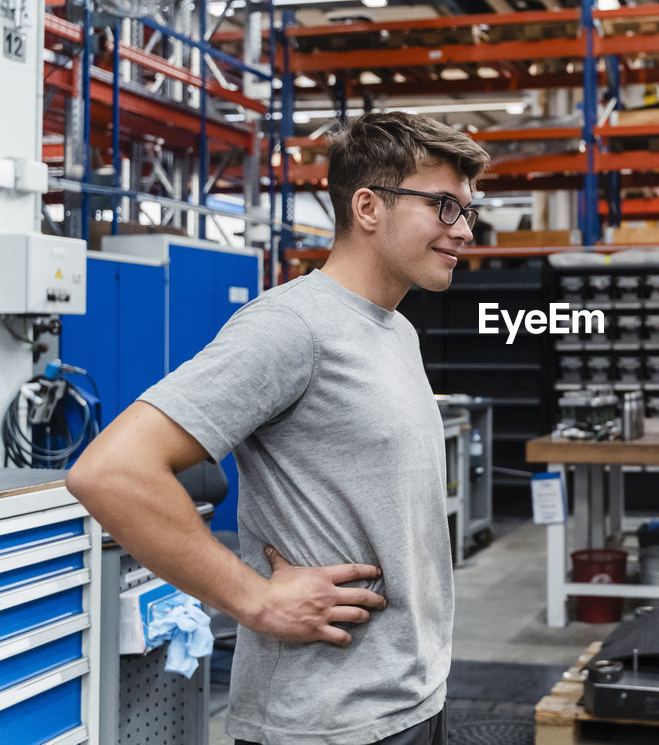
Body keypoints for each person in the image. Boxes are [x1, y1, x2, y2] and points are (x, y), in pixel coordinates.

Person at [67, 111, 489, 745]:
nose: (463, 230)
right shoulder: (292, 327)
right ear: (368, 206)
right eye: (444, 207)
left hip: (412, 698)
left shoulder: (396, 329)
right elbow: (111, 471)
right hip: (326, 721)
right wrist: (254, 600)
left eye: (468, 212)